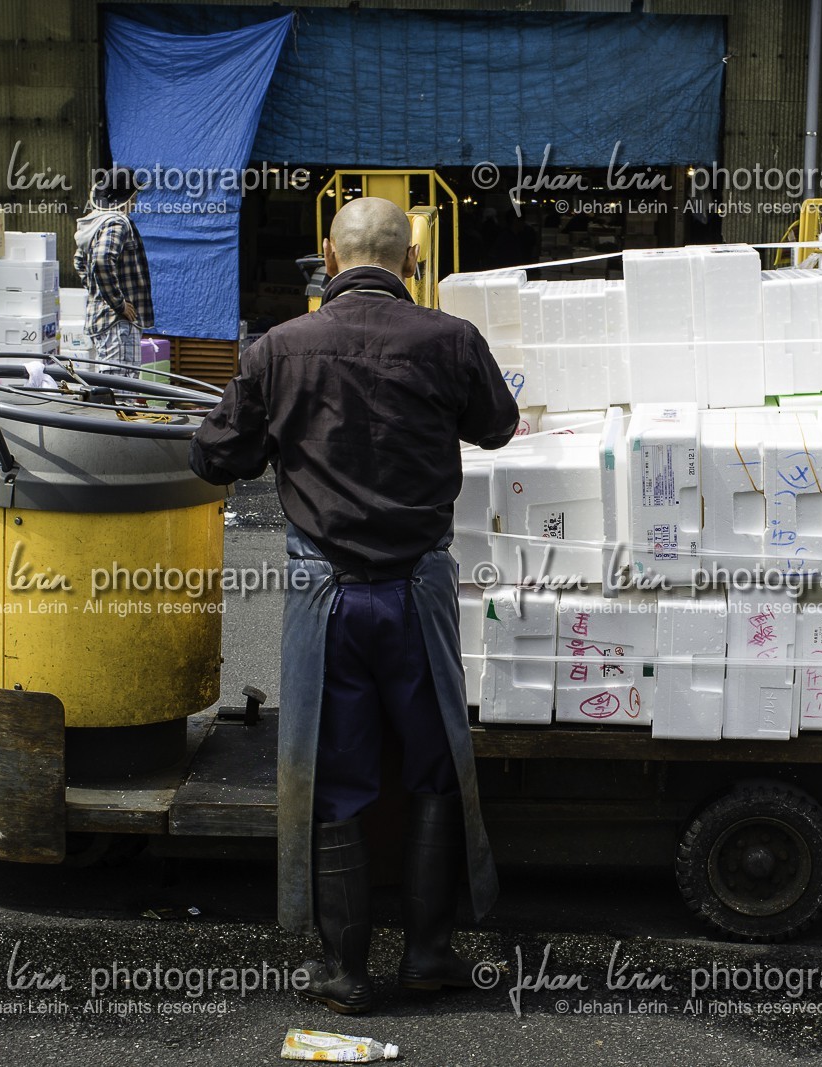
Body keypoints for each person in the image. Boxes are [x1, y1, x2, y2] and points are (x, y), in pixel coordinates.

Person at [188, 197, 520, 1015]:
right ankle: (431, 951)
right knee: (436, 766)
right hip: (419, 590)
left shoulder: (278, 349)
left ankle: (342, 969)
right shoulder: (452, 341)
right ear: (411, 260)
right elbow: (499, 427)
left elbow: (215, 457)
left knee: (334, 774)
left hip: (323, 593)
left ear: (327, 260)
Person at [73, 167, 153, 375]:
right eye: (134, 196)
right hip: (118, 323)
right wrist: (117, 302)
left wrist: (99, 292)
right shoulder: (117, 222)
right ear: (127, 197)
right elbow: (101, 259)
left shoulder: (94, 223)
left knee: (114, 386)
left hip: (102, 319)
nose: (135, 202)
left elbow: (79, 262)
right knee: (122, 389)